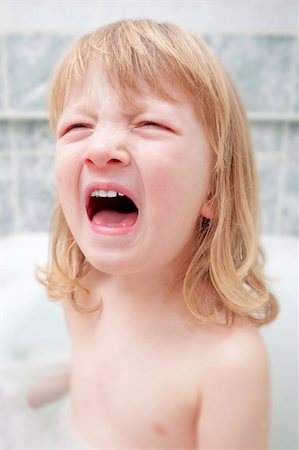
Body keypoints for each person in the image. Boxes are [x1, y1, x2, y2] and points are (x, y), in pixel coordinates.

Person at [37, 18, 278, 449]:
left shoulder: (228, 362)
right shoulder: (84, 293)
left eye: (150, 124)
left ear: (214, 187)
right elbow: (92, 383)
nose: (99, 148)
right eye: (78, 127)